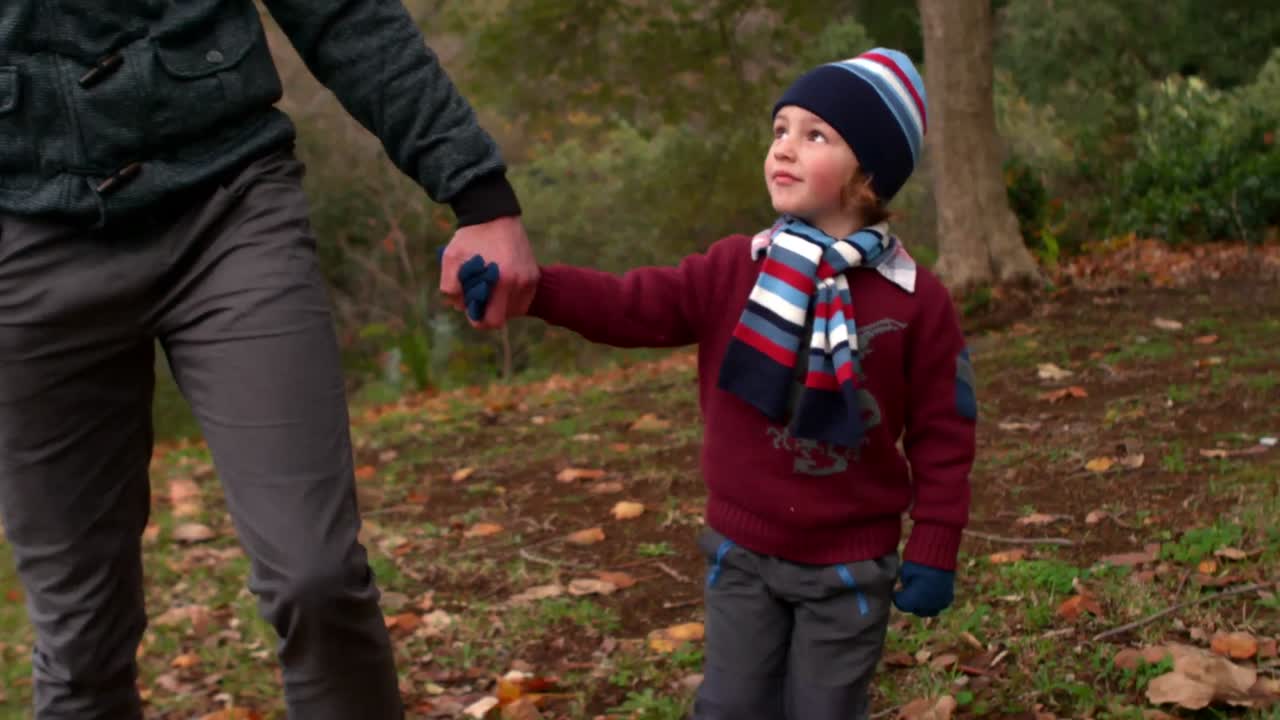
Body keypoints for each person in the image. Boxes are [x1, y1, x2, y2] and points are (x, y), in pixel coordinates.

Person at [0, 2, 535, 719]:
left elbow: (344, 14)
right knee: (78, 639)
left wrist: (477, 192)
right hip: (24, 246)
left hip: (227, 211)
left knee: (317, 578)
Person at [460, 48, 975, 719]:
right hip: (743, 553)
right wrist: (534, 290)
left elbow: (944, 429)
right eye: (780, 129)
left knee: (825, 710)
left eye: (815, 135)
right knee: (731, 706)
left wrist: (935, 544)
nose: (784, 148)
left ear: (869, 174)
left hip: (849, 563)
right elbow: (629, 304)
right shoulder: (738, 268)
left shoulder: (916, 301)